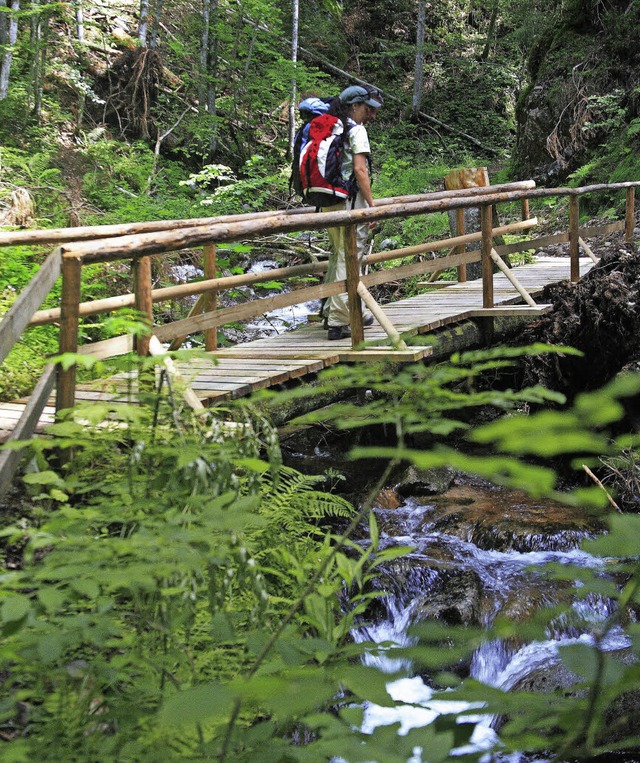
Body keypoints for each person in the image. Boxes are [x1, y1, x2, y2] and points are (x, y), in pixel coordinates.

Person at [321, 85, 383, 340]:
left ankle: (329, 311)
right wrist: (372, 206)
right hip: (348, 201)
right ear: (355, 106)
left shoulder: (331, 127)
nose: (371, 115)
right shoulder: (356, 130)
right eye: (368, 109)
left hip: (328, 200)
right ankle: (339, 321)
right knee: (350, 256)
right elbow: (360, 170)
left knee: (338, 255)